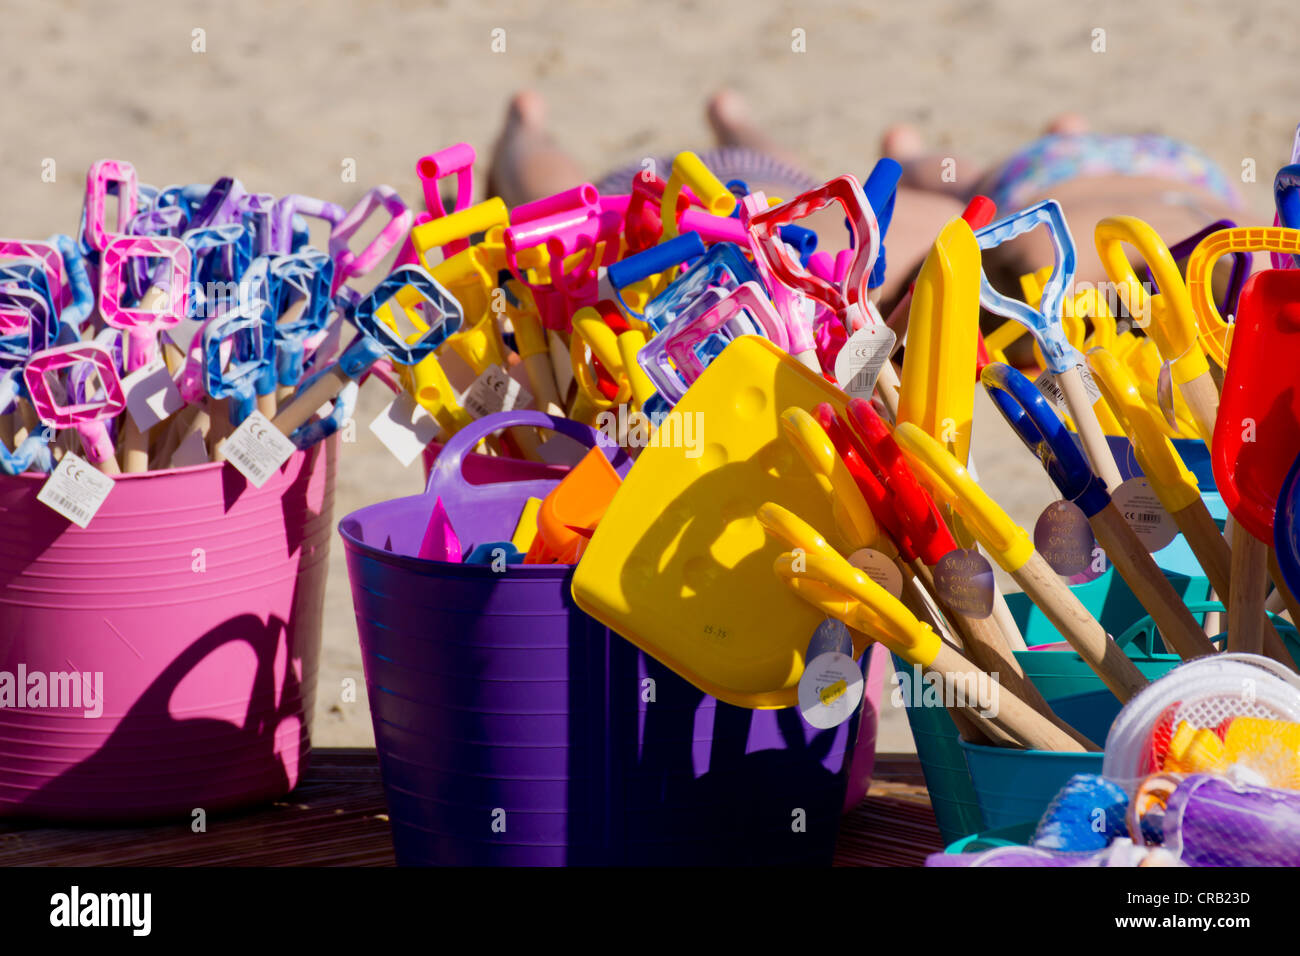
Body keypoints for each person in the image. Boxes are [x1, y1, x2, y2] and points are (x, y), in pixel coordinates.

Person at [487, 90, 1249, 324]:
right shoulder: (1061, 273)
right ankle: (532, 130)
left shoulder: (1234, 251)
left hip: (1136, 170)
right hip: (735, 219)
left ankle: (526, 127)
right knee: (564, 208)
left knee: (874, 180)